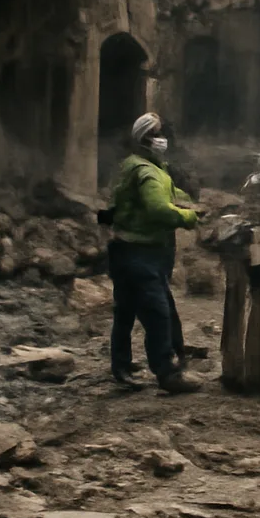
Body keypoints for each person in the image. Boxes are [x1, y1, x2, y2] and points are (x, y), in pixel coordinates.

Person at [101, 113, 203, 394]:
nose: (162, 139)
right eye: (157, 134)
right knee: (159, 313)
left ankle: (121, 366)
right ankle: (167, 373)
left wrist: (189, 203)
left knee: (126, 311)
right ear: (145, 139)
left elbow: (168, 194)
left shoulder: (134, 166)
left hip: (123, 250)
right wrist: (189, 218)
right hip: (142, 253)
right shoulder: (147, 172)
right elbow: (158, 208)